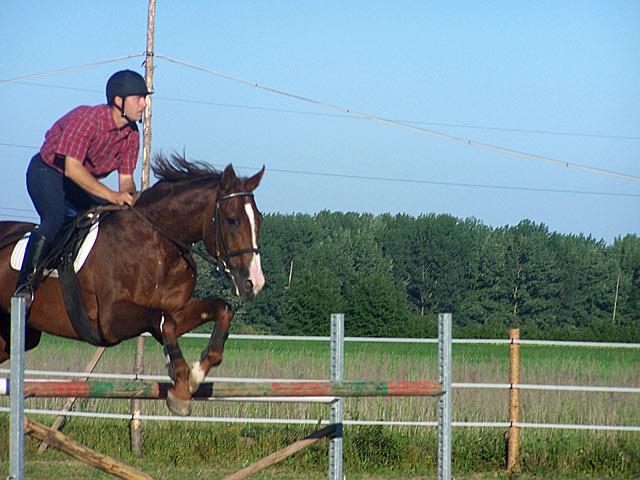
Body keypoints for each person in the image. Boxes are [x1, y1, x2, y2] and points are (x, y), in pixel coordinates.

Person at [14, 69, 152, 306]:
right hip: (48, 172)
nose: (144, 104)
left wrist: (133, 203)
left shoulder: (132, 134)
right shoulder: (87, 119)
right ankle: (24, 286)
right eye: (138, 98)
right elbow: (72, 169)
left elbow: (126, 181)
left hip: (79, 181)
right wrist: (112, 196)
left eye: (145, 98)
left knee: (108, 219)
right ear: (119, 102)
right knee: (55, 218)